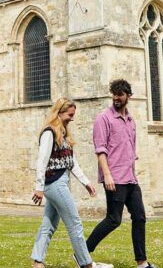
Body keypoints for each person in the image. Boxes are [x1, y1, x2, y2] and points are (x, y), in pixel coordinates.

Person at [30, 98, 112, 268]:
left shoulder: (64, 134)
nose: (72, 119)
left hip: (61, 182)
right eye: (70, 115)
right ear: (59, 112)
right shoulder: (49, 133)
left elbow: (71, 161)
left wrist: (85, 182)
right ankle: (86, 264)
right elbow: (41, 162)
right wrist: (39, 188)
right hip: (55, 183)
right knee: (75, 224)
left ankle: (38, 262)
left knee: (49, 224)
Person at [85, 79, 157, 268]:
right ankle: (83, 254)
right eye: (114, 94)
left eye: (120, 95)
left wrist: (134, 172)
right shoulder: (104, 118)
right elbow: (100, 149)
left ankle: (142, 263)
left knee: (140, 217)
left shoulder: (132, 121)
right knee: (113, 219)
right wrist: (107, 175)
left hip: (131, 179)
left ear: (128, 96)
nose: (116, 98)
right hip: (114, 178)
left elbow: (130, 149)